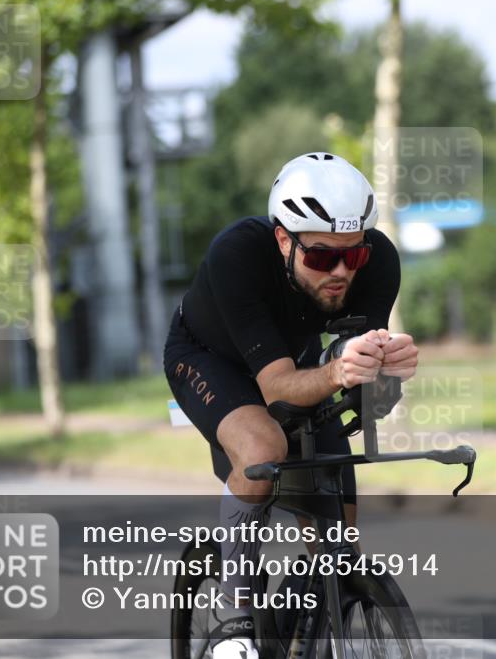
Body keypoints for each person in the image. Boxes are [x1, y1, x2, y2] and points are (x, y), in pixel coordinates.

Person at [163, 152, 419, 659]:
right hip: (211, 358)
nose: (342, 271)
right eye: (323, 258)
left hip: (294, 360)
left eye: (355, 255)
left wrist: (385, 376)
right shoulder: (236, 254)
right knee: (262, 445)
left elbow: (362, 396)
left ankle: (307, 624)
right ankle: (235, 616)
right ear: (285, 239)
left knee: (340, 550)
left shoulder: (379, 261)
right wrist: (337, 371)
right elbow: (279, 387)